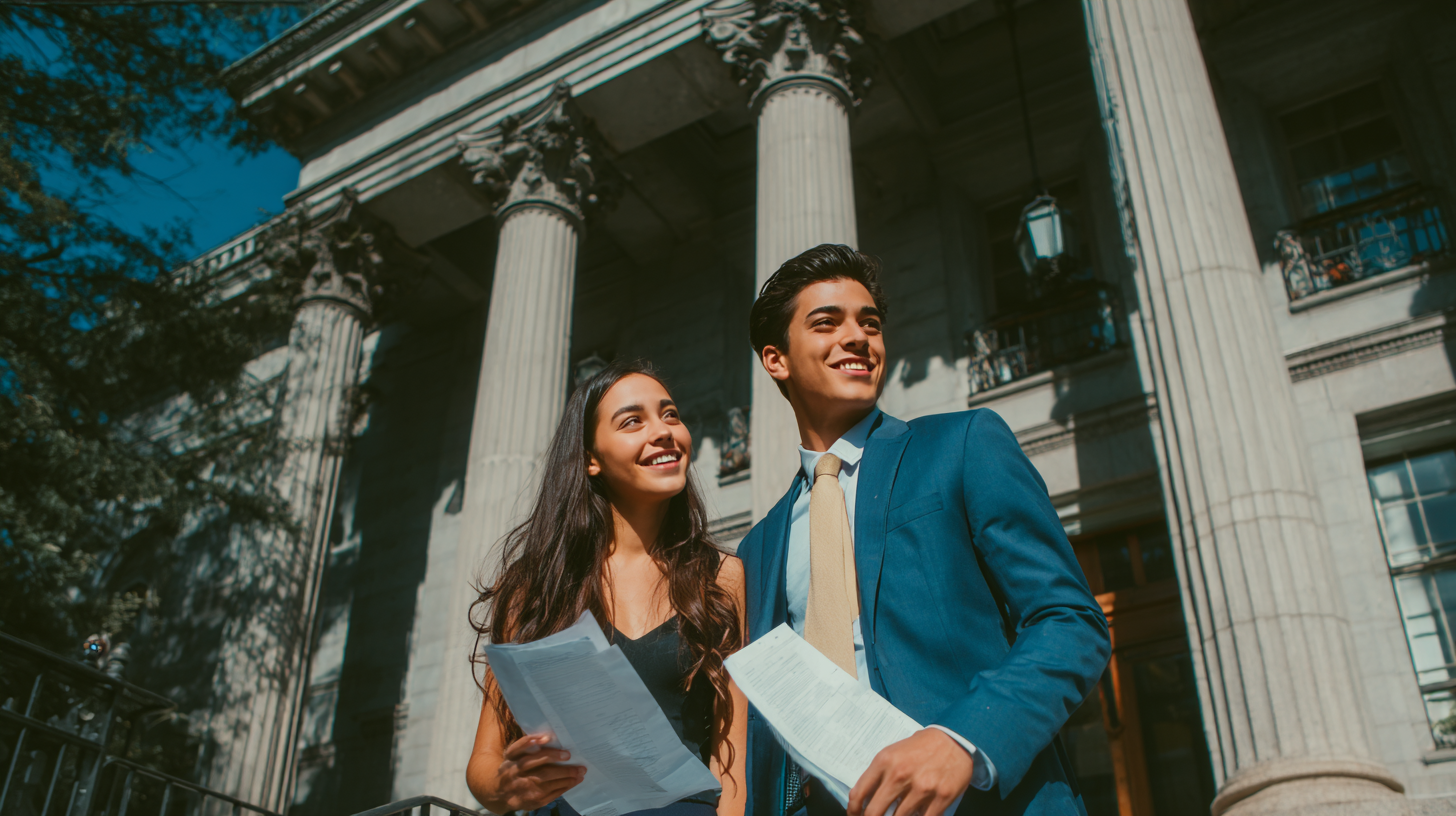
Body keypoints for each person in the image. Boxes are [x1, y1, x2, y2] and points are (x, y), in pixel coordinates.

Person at [737, 245, 1111, 816]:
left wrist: (964, 739)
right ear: (776, 360)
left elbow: (1070, 621)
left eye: (870, 323)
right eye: (826, 322)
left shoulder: (963, 445)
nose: (859, 336)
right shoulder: (757, 546)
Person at [465, 360, 749, 816]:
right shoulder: (533, 586)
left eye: (671, 414)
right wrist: (506, 787)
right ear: (590, 459)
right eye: (633, 421)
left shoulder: (722, 576)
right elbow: (484, 759)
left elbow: (731, 753)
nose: (663, 431)